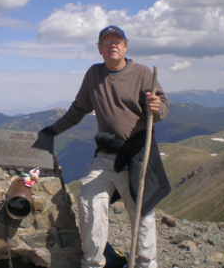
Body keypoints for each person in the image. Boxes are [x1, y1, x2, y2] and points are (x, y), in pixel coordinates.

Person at [41, 25, 171, 268]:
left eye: (117, 41)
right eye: (107, 42)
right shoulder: (93, 74)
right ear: (100, 49)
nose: (113, 45)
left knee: (141, 210)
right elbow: (79, 108)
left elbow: (162, 107)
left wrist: (156, 107)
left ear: (125, 46)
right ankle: (92, 263)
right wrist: (53, 130)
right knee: (89, 200)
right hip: (106, 155)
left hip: (136, 154)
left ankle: (145, 263)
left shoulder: (142, 73)